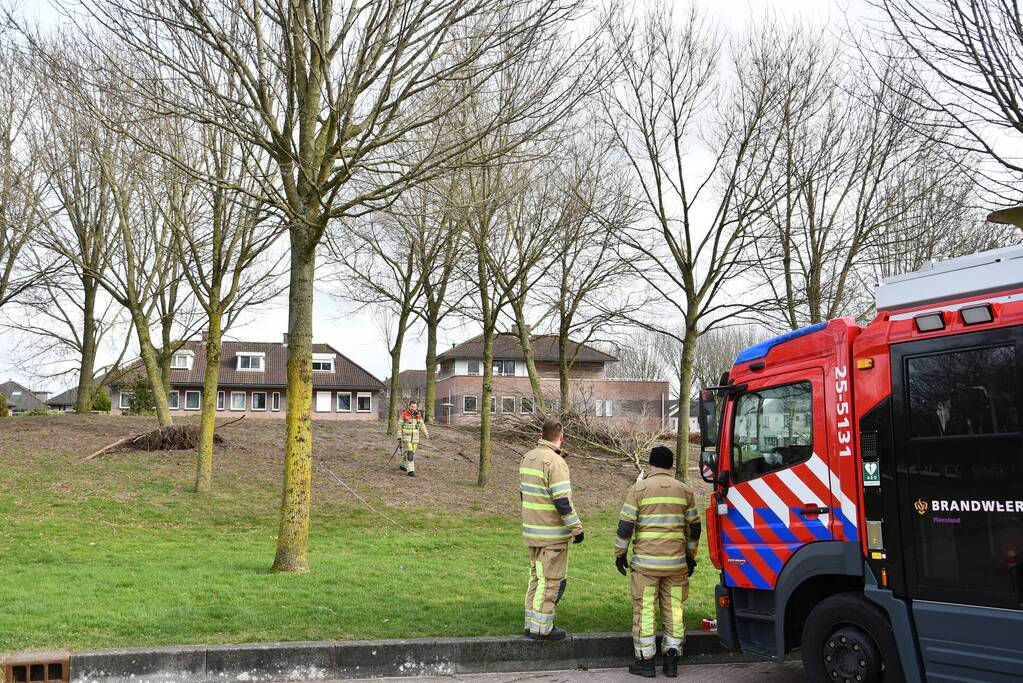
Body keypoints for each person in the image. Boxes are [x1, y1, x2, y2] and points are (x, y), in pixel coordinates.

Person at [614, 446, 700, 678]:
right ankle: (672, 659)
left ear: (650, 464)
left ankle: (646, 662)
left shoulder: (639, 489)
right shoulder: (684, 491)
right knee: (674, 609)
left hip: (646, 566)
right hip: (675, 565)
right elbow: (695, 528)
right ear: (671, 466)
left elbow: (625, 527)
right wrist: (690, 557)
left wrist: (620, 554)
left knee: (645, 610)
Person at [519, 419, 584, 640]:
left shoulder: (528, 457)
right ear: (561, 436)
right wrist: (577, 529)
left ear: (541, 433)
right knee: (551, 581)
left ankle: (531, 624)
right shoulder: (555, 462)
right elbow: (562, 501)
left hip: (532, 531)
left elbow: (523, 494)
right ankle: (542, 628)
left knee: (536, 579)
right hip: (552, 535)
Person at [398, 400, 428, 477]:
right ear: (409, 406)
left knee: (411, 453)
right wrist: (399, 437)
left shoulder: (418, 415)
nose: (413, 408)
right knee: (410, 453)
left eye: (414, 406)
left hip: (415, 438)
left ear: (416, 407)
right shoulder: (404, 414)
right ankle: (410, 470)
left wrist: (426, 433)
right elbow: (399, 426)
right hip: (407, 437)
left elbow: (422, 425)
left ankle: (402, 464)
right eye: (412, 406)